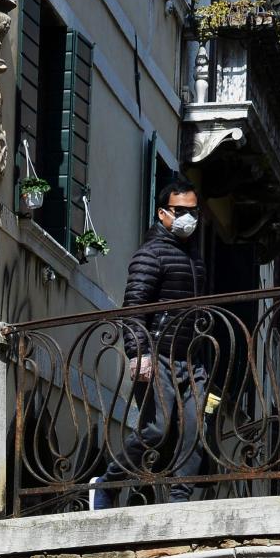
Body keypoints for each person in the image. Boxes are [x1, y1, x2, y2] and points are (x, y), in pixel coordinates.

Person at [92, 175, 211, 508]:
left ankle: (179, 500)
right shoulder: (150, 255)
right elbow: (134, 308)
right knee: (155, 430)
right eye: (180, 210)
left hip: (192, 358)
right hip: (158, 356)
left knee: (195, 430)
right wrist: (138, 354)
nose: (188, 218)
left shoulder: (195, 258)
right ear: (163, 213)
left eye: (193, 211)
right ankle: (108, 483)